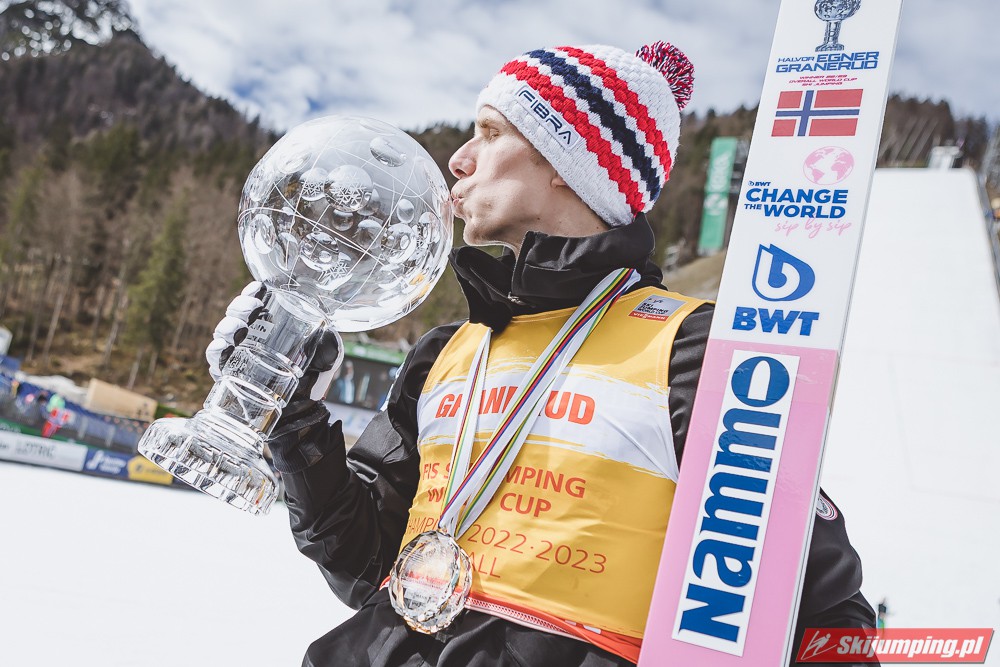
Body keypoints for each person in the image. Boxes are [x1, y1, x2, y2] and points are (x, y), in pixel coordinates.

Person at [209, 41, 876, 667]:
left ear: (567, 158)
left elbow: (824, 616)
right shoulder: (444, 353)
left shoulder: (693, 350)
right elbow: (366, 563)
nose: (458, 160)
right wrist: (292, 421)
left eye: (490, 132)